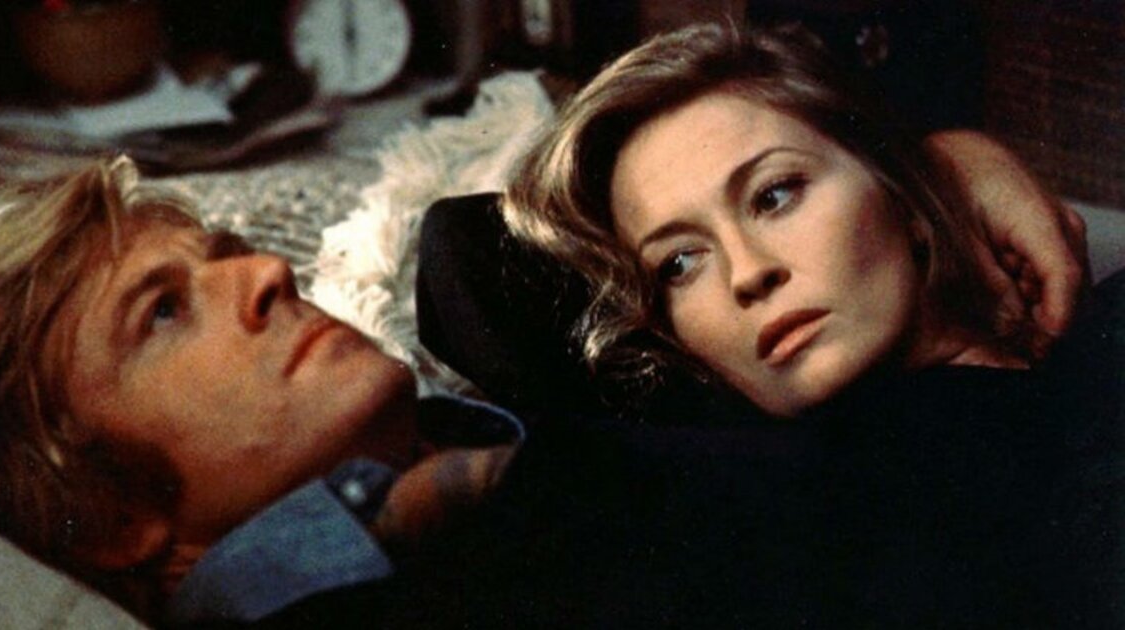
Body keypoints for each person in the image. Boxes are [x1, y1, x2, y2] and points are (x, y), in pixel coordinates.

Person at [418, 23, 1121, 625]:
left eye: (776, 195)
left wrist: (946, 165)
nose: (747, 274)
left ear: (900, 192)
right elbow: (464, 251)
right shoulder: (745, 483)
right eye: (680, 262)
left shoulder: (1098, 353)